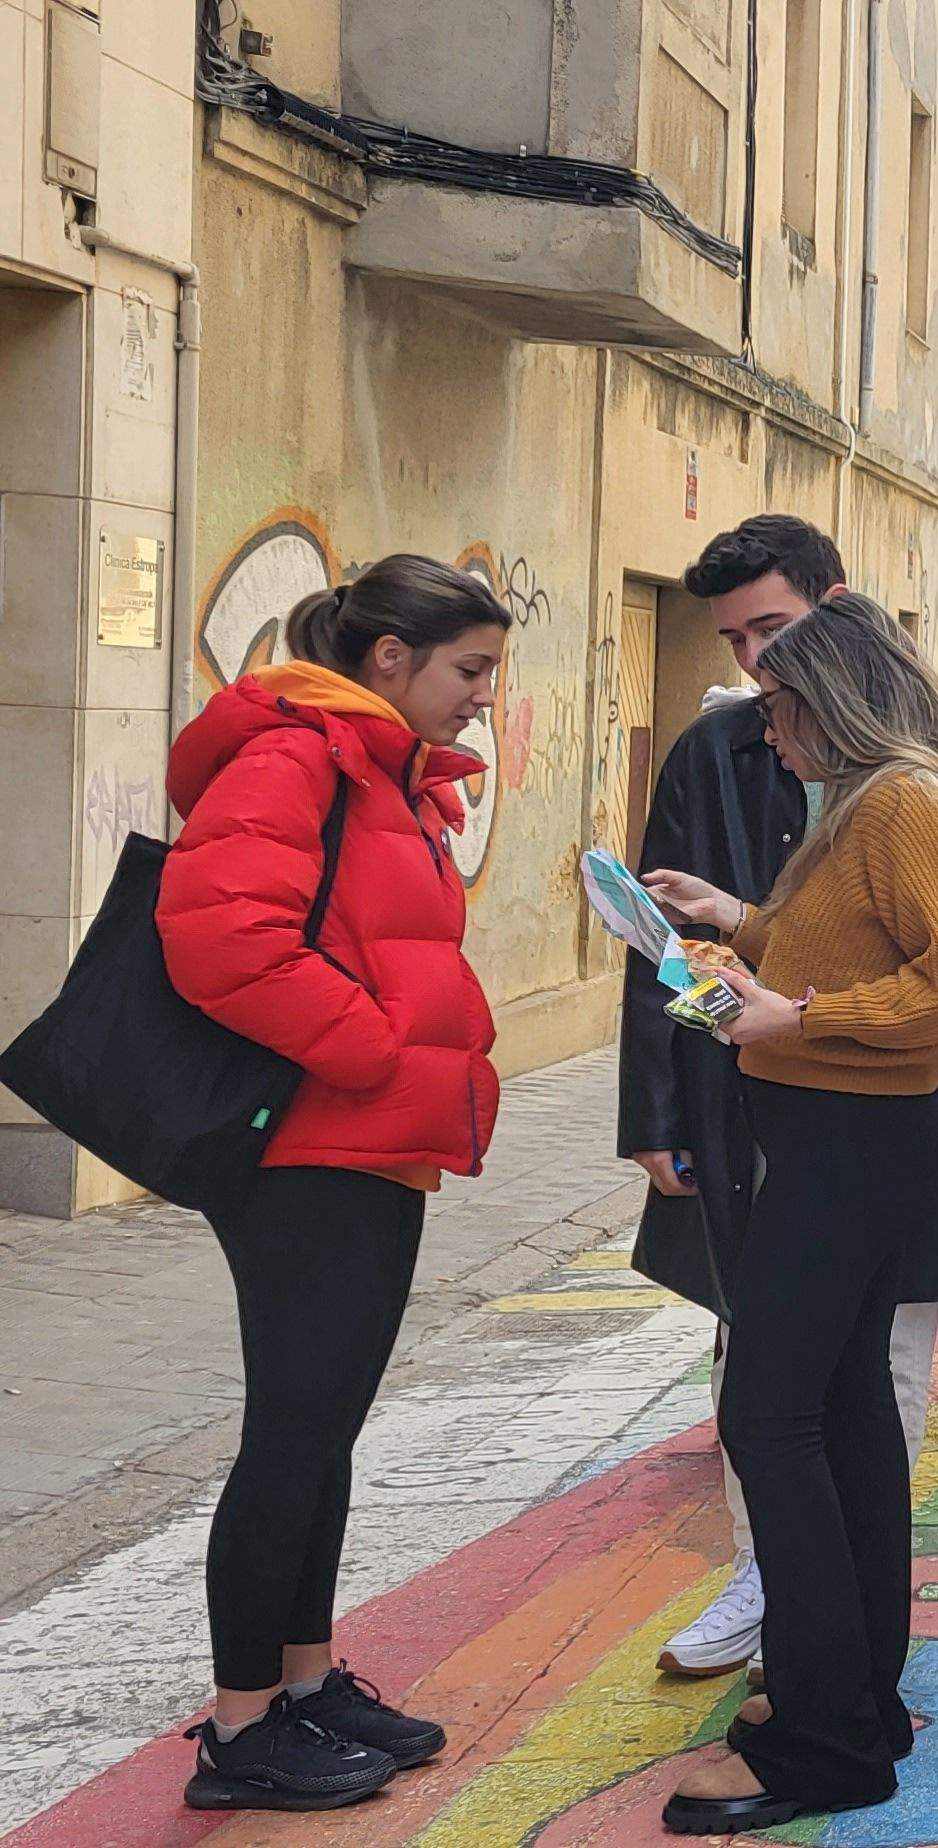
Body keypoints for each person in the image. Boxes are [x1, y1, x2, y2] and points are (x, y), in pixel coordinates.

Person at [628, 518, 938, 1680]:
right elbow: (737, 953)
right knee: (781, 1386)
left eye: (773, 642)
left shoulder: (915, 788)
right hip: (774, 1104)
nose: (751, 679)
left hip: (881, 1112)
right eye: (736, 646)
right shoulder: (726, 752)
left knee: (840, 1395)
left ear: (836, 635)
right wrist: (731, 951)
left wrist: (857, 993)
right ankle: (801, 1618)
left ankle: (825, 1653)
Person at [156, 557, 510, 1812]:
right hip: (310, 1148)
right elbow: (218, 936)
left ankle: (304, 1682)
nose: (483, 697)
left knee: (328, 1429)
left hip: (368, 1144)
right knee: (293, 1432)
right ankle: (242, 1725)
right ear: (388, 662)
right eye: (469, 671)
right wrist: (366, 1050)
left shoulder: (377, 772)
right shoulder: (296, 757)